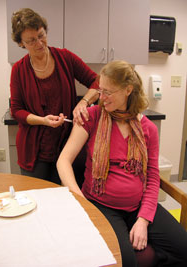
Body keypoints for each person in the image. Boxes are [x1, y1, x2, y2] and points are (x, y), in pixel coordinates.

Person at [57, 60, 187, 266]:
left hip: (138, 206)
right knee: (125, 261)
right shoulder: (92, 116)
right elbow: (63, 160)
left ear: (128, 90)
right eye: (100, 90)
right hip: (101, 205)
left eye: (108, 92)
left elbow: (152, 178)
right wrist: (79, 197)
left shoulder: (148, 129)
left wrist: (143, 220)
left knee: (184, 247)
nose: (101, 97)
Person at [10, 8, 99, 183]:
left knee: (66, 200)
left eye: (41, 35)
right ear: (21, 43)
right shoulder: (18, 70)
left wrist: (84, 102)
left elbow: (97, 82)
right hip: (33, 153)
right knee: (36, 200)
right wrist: (42, 120)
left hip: (67, 148)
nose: (39, 43)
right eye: (31, 41)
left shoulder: (65, 58)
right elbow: (16, 110)